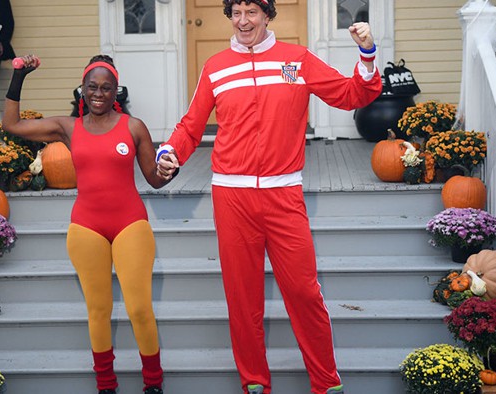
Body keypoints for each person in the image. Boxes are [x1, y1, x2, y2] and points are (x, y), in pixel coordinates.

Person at [155, 1, 382, 393]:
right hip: (232, 198)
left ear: (267, 15)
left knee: (304, 293)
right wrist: (168, 153)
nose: (243, 21)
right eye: (236, 12)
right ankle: (255, 383)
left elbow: (350, 95)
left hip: (284, 195)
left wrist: (366, 54)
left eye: (252, 12)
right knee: (243, 302)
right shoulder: (215, 67)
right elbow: (191, 127)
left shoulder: (297, 59)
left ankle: (326, 383)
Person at [1, 54, 171, 394]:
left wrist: (170, 170)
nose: (98, 94)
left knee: (139, 308)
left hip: (130, 224)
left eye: (106, 88)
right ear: (82, 90)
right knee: (98, 310)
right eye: (92, 87)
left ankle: (153, 383)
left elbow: (154, 179)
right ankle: (105, 384)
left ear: (116, 93)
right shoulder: (68, 128)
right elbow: (12, 126)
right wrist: (19, 76)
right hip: (86, 227)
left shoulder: (133, 127)